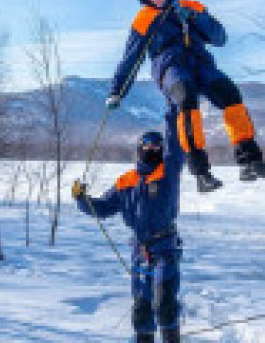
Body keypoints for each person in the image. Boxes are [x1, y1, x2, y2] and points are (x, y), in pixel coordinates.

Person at [106, 0, 265, 193]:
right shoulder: (143, 19)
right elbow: (130, 59)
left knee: (230, 94)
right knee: (186, 98)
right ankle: (201, 173)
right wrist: (117, 91)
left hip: (201, 63)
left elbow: (220, 38)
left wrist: (198, 18)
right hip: (170, 67)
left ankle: (250, 161)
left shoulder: (192, 6)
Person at [72, 107, 185, 343]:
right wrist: (82, 199)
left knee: (165, 302)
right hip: (140, 251)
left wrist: (173, 112)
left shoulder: (169, 172)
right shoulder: (126, 181)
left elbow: (177, 144)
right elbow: (102, 207)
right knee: (142, 308)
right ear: (139, 149)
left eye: (156, 146)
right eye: (147, 145)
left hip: (165, 247)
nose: (151, 149)